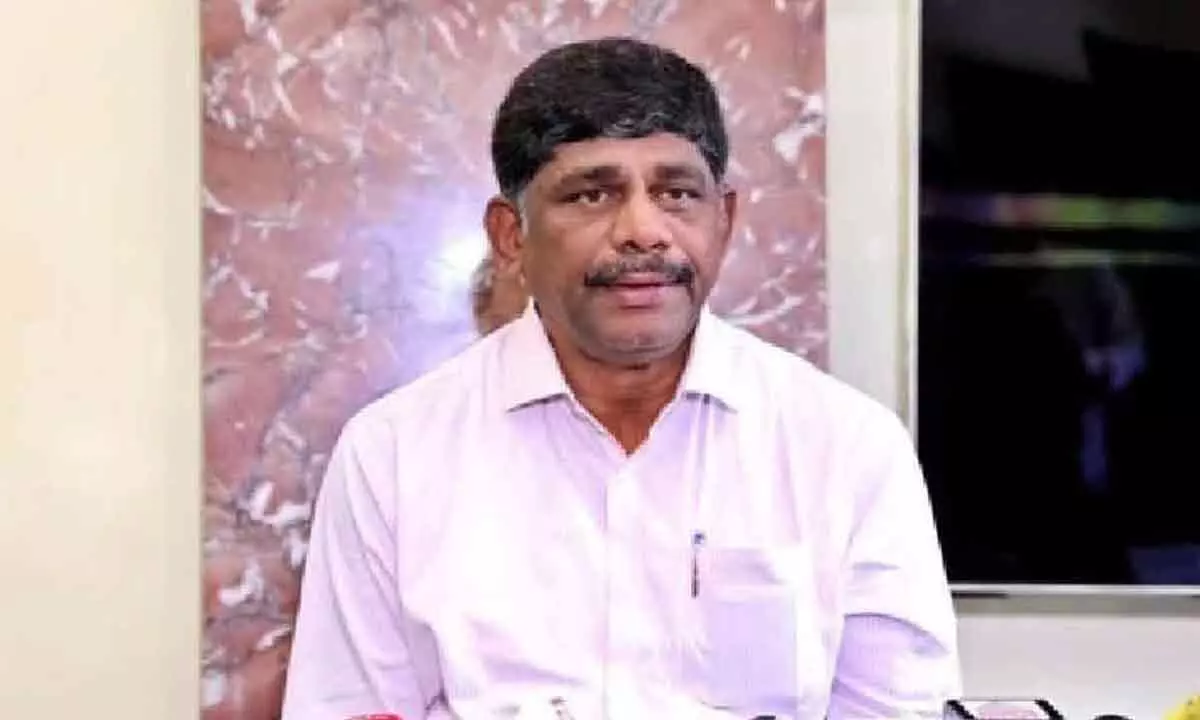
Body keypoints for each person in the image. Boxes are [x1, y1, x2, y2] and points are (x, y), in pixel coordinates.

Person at [282, 36, 960, 720]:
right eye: (592, 194)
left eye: (677, 193)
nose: (642, 230)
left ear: (723, 220)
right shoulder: (393, 456)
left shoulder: (847, 448)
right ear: (511, 236)